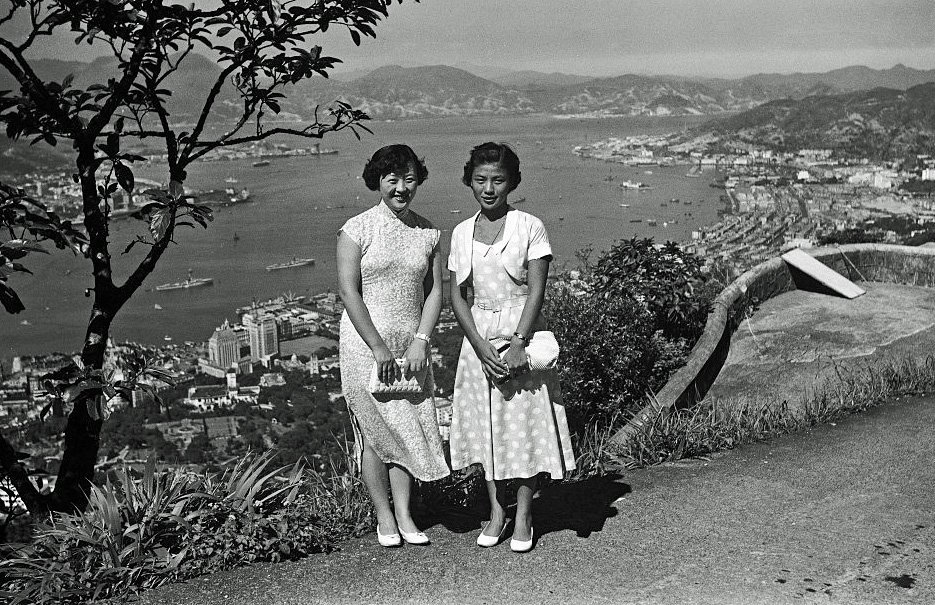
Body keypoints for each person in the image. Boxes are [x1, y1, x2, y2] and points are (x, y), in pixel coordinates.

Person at [447, 142, 576, 553]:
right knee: (486, 428)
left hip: (521, 331)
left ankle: (523, 514)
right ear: (470, 180)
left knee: (523, 428)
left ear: (512, 182)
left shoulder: (530, 226)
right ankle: (496, 511)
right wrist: (478, 345)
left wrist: (519, 343)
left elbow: (537, 288)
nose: (488, 188)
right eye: (480, 180)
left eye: (498, 180)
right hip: (479, 340)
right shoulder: (461, 232)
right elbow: (457, 296)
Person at [337, 144, 449, 548]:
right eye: (392, 179)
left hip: (411, 345)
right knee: (373, 432)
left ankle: (405, 514)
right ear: (378, 181)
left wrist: (422, 340)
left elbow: (436, 291)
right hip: (365, 345)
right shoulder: (356, 229)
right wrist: (379, 347)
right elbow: (349, 293)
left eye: (409, 179)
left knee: (407, 428)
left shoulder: (429, 232)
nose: (401, 187)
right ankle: (384, 516)